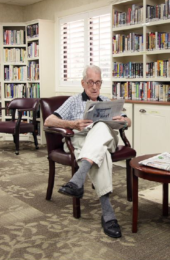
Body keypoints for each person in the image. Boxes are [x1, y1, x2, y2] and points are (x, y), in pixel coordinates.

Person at [44, 65, 131, 238]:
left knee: (100, 126)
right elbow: (48, 120)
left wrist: (125, 120)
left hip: (108, 138)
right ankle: (108, 213)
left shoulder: (106, 101)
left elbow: (128, 120)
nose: (94, 87)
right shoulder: (73, 101)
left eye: (98, 82)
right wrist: (72, 124)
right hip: (83, 140)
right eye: (90, 82)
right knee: (102, 155)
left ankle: (79, 177)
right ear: (83, 83)